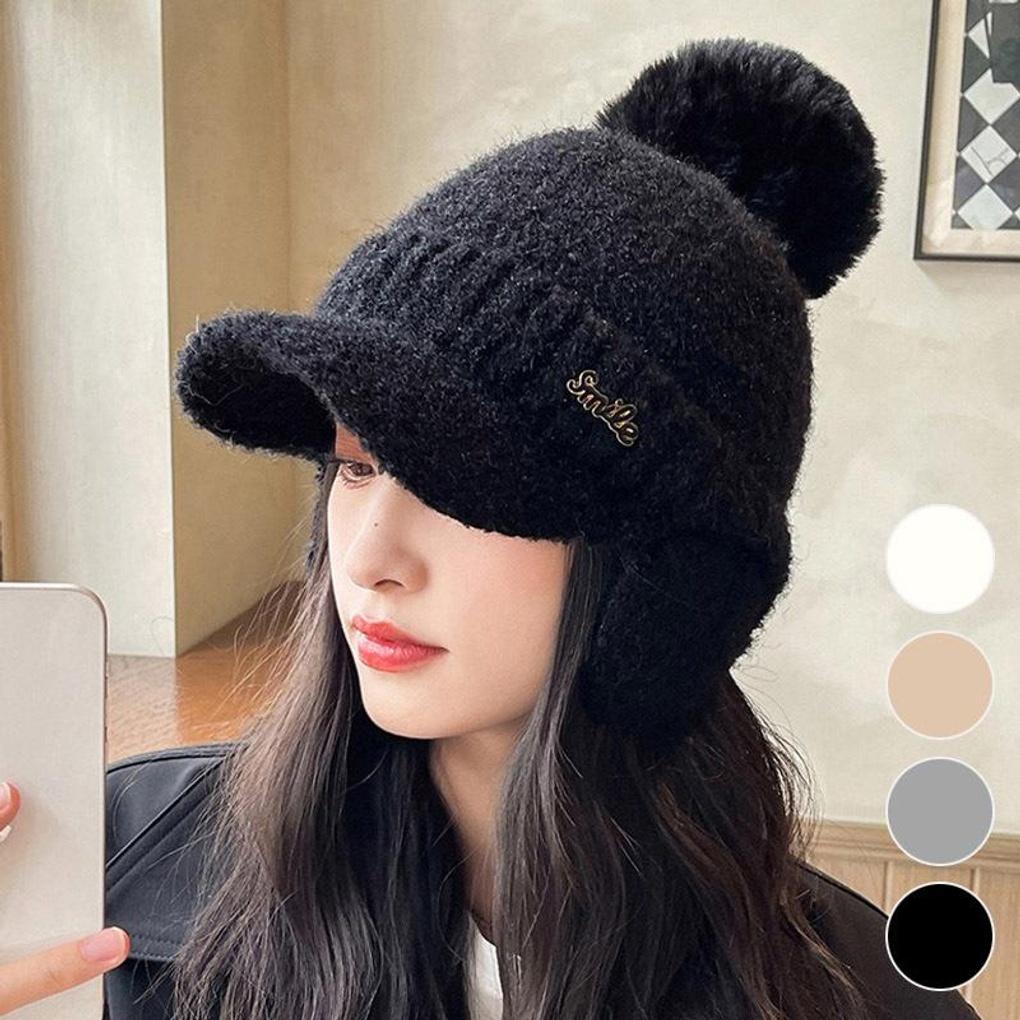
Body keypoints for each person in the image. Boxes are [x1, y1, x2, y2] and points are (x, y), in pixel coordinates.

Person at [0, 35, 985, 1020]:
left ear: (663, 586)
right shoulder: (112, 863)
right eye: (355, 465)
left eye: (459, 485)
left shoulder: (870, 1000)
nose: (367, 558)